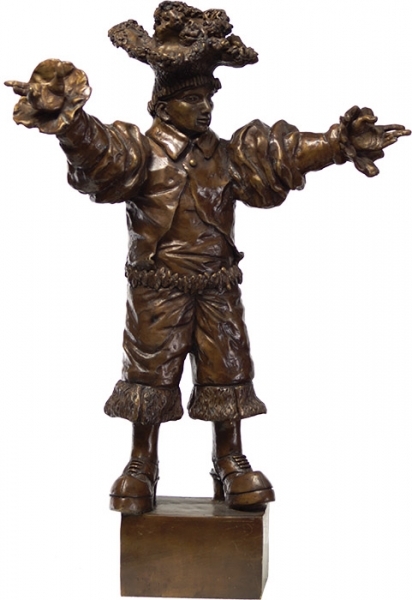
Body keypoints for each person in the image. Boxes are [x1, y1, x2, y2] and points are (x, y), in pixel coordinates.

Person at [5, 1, 410, 515]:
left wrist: (336, 142)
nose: (205, 108)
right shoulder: (141, 152)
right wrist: (69, 122)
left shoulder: (226, 155)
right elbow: (101, 154)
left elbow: (278, 154)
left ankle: (229, 458)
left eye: (208, 98)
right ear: (163, 104)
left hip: (218, 287)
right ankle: (142, 461)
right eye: (192, 99)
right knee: (150, 375)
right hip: (158, 289)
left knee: (227, 371)